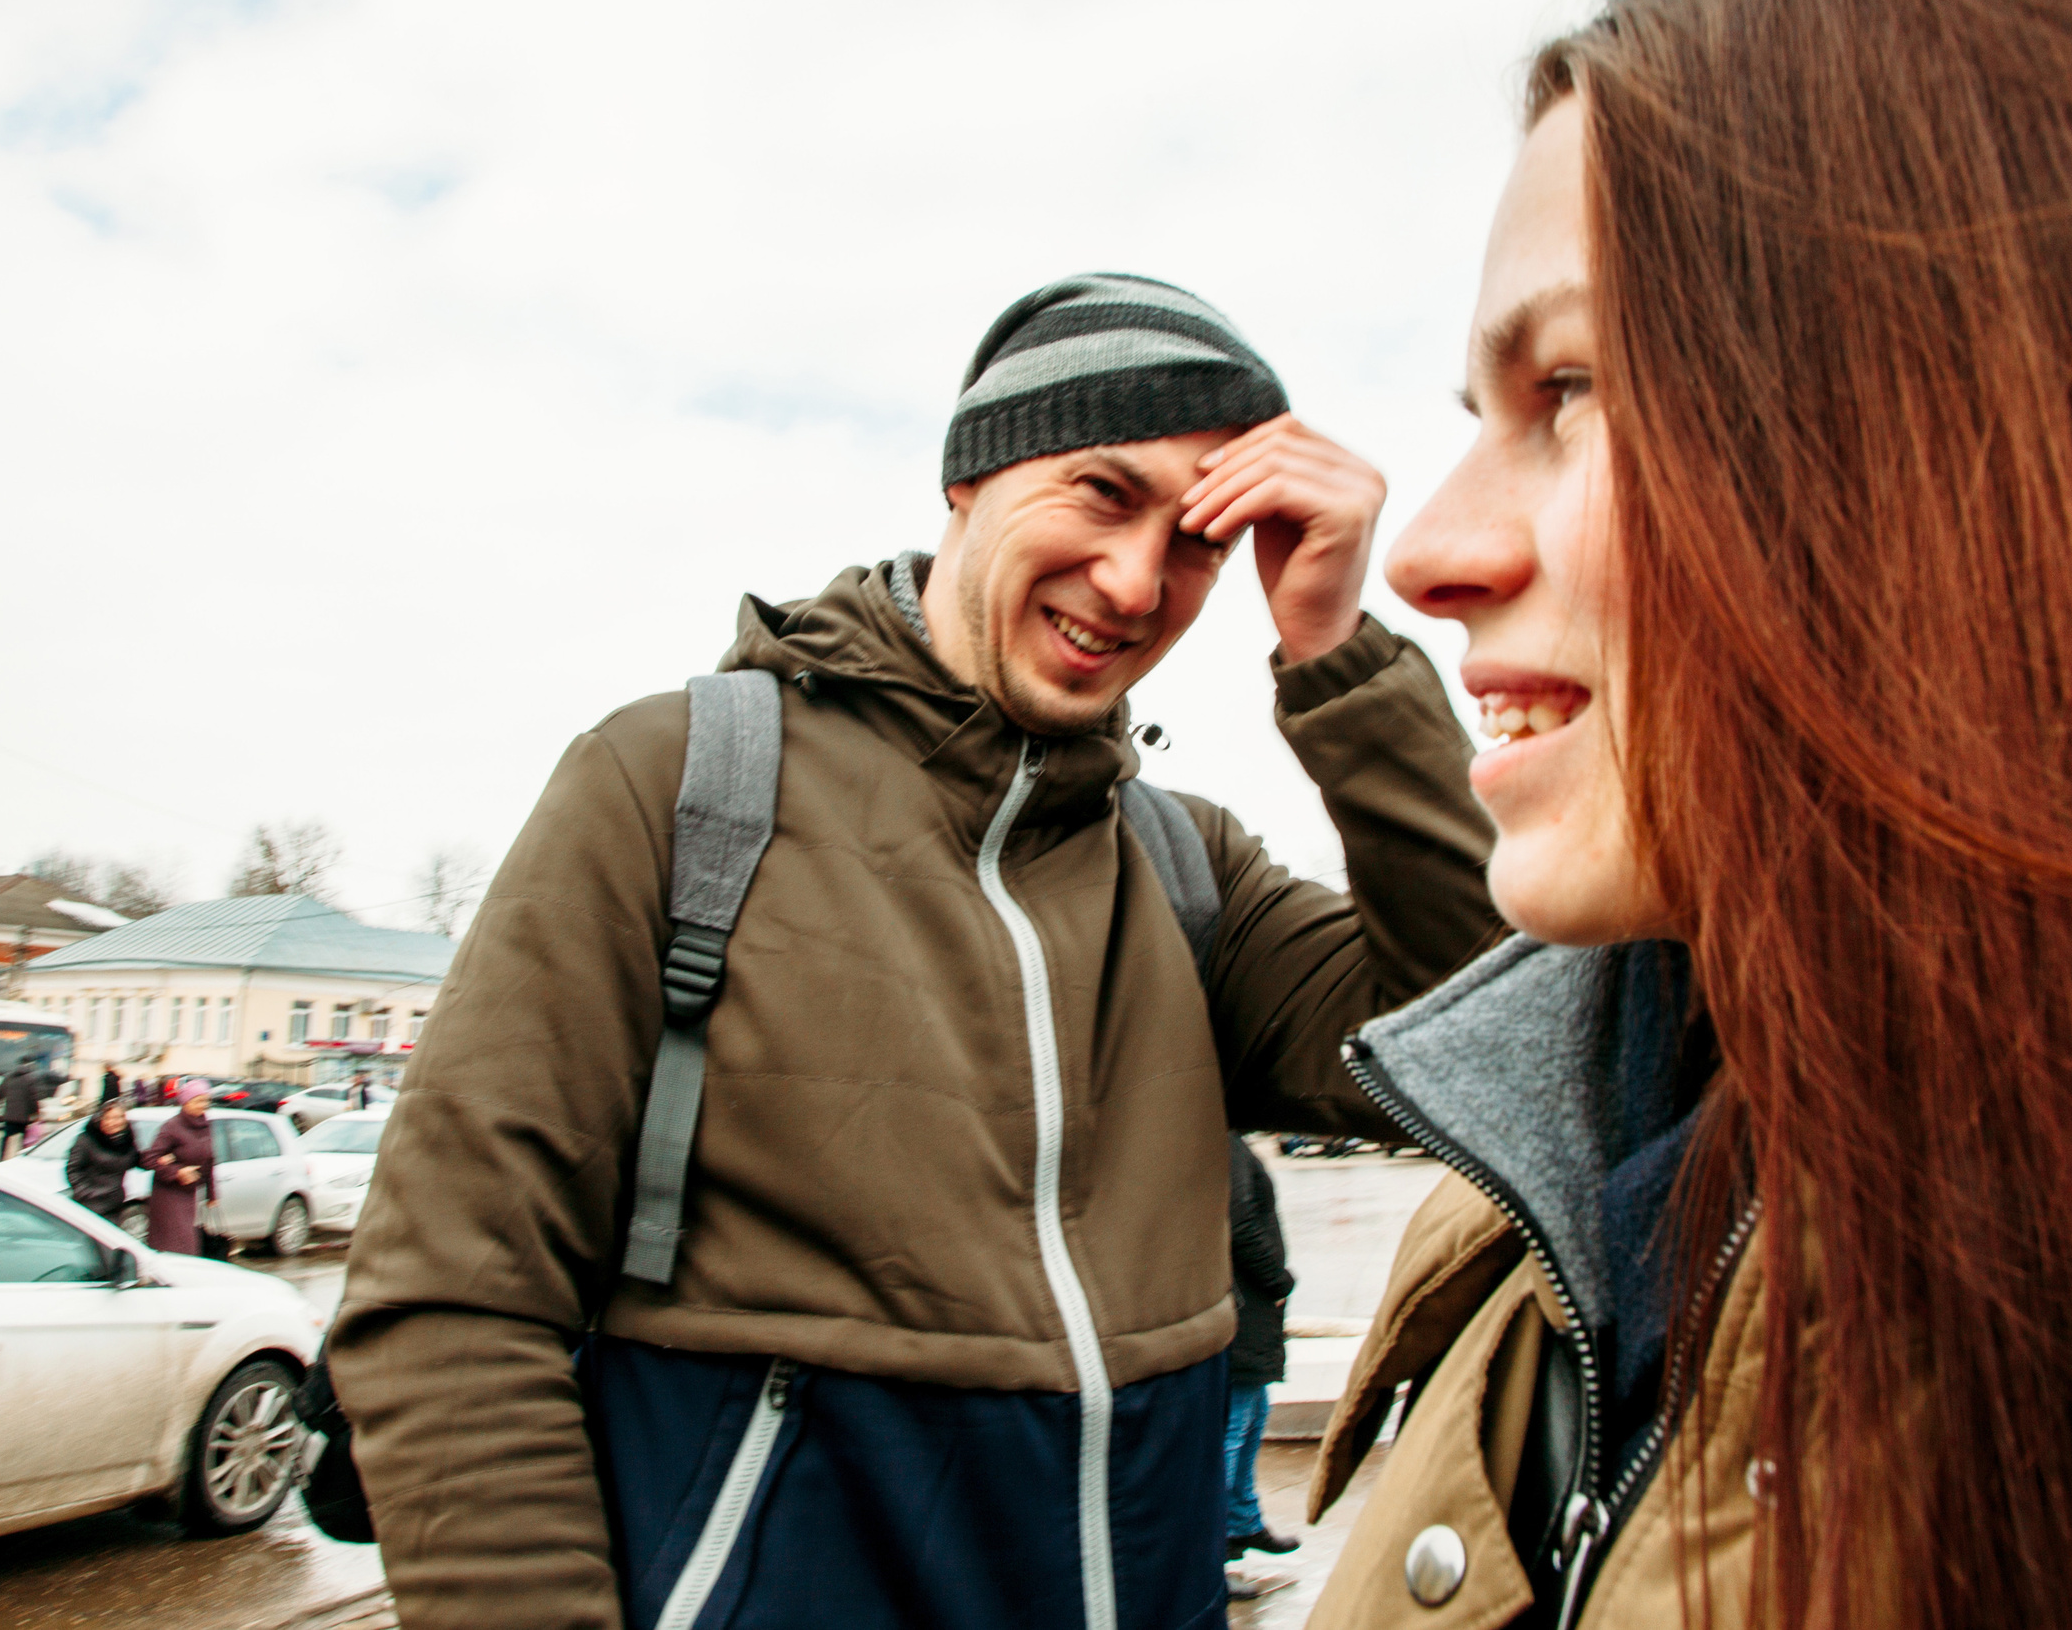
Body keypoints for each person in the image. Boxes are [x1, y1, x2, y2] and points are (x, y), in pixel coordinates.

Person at [1305, 0, 2072, 1627]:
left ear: (2013, 425)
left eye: (1577, 388)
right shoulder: (1553, 1201)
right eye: (1481, 406)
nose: (1431, 547)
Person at [332, 273, 1502, 1630]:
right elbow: (448, 1299)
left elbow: (1478, 1039)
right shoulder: (676, 785)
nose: (1135, 583)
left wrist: (1336, 648)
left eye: (1195, 539)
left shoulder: (1189, 870)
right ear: (968, 482)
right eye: (1100, 493)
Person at [1223, 1133, 1297, 1590]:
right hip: (1244, 1301)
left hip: (1246, 1304)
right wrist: (1278, 1279)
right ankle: (1214, 1555)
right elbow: (1240, 1221)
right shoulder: (1223, 1138)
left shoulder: (1226, 1137)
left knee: (1251, 1416)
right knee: (1232, 1428)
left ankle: (1243, 1520)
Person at [142, 1085, 216, 1256]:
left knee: (186, 1243)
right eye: (198, 1101)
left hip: (190, 1193)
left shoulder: (205, 1125)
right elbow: (150, 1158)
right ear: (185, 1102)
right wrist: (178, 1172)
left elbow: (210, 1160)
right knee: (179, 1244)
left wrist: (212, 1194)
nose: (203, 1105)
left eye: (206, 1100)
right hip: (168, 1194)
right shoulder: (172, 1127)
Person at [68, 1097, 143, 1225]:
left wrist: (162, 1158)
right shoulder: (87, 1140)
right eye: (110, 1118)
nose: (116, 1122)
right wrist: (86, 1193)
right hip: (89, 1207)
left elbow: (136, 1160)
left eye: (120, 1117)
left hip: (115, 1205)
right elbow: (73, 1170)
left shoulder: (125, 1141)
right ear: (100, 1119)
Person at [0, 1062, 48, 1161]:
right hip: (23, 1117)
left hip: (9, 1115)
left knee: (6, 1137)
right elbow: (32, 1098)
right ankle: (20, 1158)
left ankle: (0, 1158)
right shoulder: (29, 1079)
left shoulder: (9, 1077)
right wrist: (36, 1113)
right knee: (23, 1139)